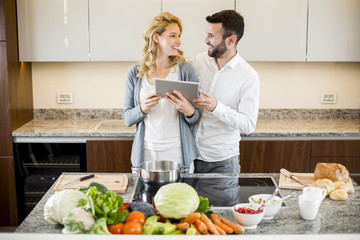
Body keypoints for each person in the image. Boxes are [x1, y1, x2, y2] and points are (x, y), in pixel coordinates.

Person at [123, 12, 200, 169]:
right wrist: (143, 108)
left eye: (179, 36)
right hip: (146, 152)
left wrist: (188, 110)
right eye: (172, 36)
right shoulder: (135, 73)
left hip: (179, 152)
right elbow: (127, 118)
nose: (178, 41)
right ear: (156, 38)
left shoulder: (185, 70)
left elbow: (196, 116)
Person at [192, 10, 260, 174]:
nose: (206, 40)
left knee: (223, 202)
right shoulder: (199, 61)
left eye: (212, 36)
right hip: (190, 157)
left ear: (231, 40)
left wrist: (217, 107)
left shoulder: (248, 76)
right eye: (207, 34)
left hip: (222, 162)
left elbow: (248, 125)